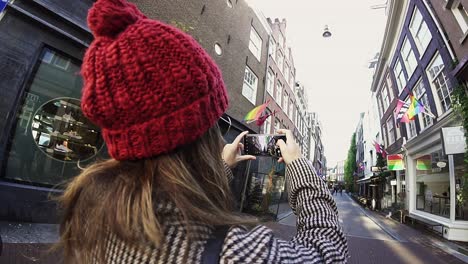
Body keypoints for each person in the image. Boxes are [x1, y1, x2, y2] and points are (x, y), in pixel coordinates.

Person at [57, 0, 349, 263]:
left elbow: (174, 193)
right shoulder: (231, 250)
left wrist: (222, 166)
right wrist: (300, 168)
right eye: (214, 119)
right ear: (199, 132)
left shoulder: (92, 213)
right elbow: (326, 252)